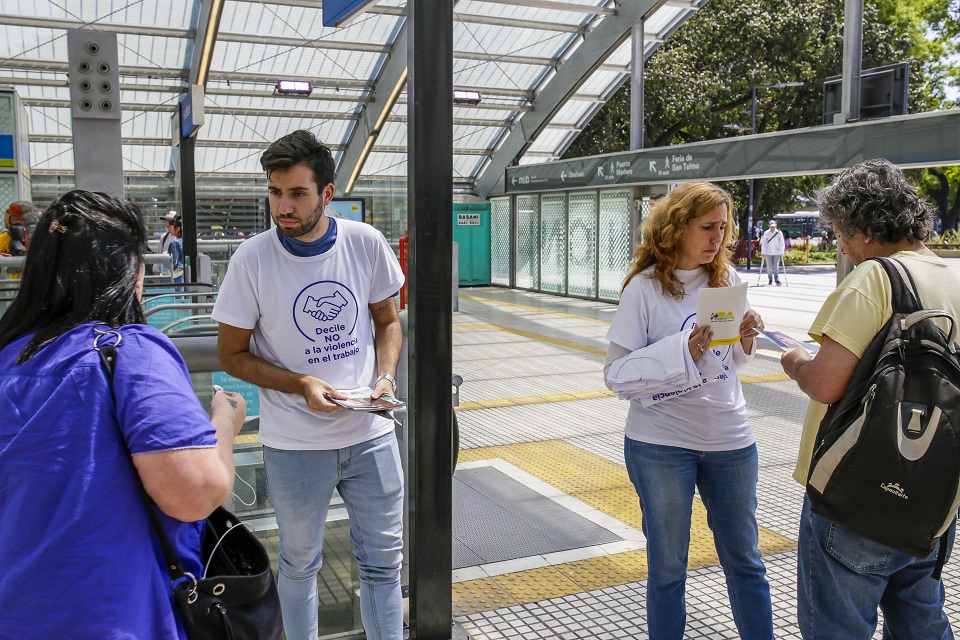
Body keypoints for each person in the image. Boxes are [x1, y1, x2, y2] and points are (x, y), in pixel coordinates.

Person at [0, 190, 247, 638]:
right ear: (128, 270)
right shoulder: (127, 351)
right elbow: (195, 492)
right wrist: (225, 421)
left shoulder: (8, 358)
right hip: (113, 615)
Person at [212, 129, 405, 640]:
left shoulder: (365, 243)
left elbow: (387, 320)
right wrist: (300, 384)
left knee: (385, 564)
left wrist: (385, 377)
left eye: (297, 193)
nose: (283, 207)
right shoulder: (252, 260)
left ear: (327, 193)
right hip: (294, 444)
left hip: (371, 435)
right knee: (299, 565)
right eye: (275, 192)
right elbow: (230, 355)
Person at [780, 158, 959, 639]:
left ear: (864, 225)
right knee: (922, 622)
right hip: (933, 500)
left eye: (840, 234)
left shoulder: (876, 278)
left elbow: (825, 383)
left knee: (838, 628)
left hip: (858, 495)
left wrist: (795, 361)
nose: (842, 246)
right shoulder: (954, 279)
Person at [604, 181, 773, 640]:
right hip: (660, 442)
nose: (718, 238)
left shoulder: (727, 279)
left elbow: (732, 363)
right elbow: (616, 373)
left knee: (746, 560)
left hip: (730, 438)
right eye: (707, 227)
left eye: (723, 227)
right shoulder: (643, 289)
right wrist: (683, 350)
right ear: (677, 227)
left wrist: (746, 337)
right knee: (667, 567)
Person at [759, 220, 785, 285]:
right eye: (771, 226)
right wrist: (763, 252)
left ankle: (777, 280)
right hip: (768, 252)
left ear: (775, 226)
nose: (772, 228)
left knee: (776, 267)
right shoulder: (766, 233)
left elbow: (782, 243)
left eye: (773, 226)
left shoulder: (779, 233)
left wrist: (782, 252)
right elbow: (764, 243)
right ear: (769, 226)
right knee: (769, 267)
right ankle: (770, 279)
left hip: (777, 252)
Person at [155, 210, 178, 274]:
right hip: (165, 274)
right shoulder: (164, 237)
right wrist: (156, 272)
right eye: (167, 221)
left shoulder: (182, 238)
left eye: (170, 222)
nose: (167, 224)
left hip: (179, 274)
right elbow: (159, 255)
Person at [167, 215, 184, 284]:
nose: (169, 229)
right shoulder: (186, 242)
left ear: (178, 229)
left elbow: (174, 261)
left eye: (170, 227)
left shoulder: (175, 243)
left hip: (177, 274)